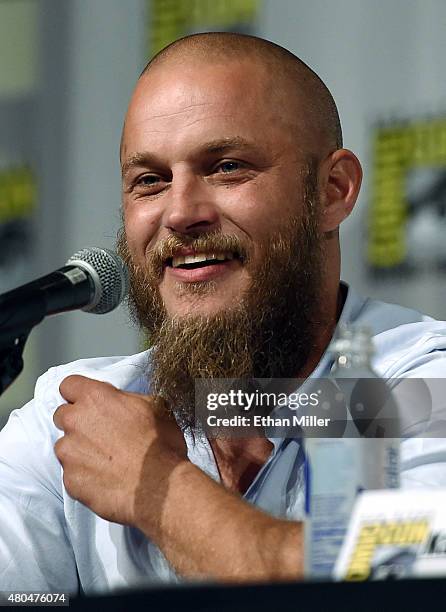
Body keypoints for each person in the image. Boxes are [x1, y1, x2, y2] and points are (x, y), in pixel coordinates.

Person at [1, 32, 446, 595]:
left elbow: (400, 585)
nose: (180, 212)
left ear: (333, 191)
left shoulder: (421, 380)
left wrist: (161, 489)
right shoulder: (70, 417)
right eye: (150, 181)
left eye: (227, 167)